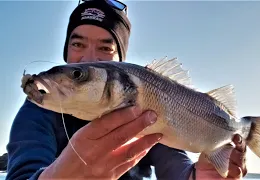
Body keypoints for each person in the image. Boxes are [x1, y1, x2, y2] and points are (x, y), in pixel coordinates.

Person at [5, 0, 247, 179]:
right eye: (77, 43)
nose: (87, 57)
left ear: (121, 64)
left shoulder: (147, 110)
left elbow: (175, 167)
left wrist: (199, 177)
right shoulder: (36, 112)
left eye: (105, 48)